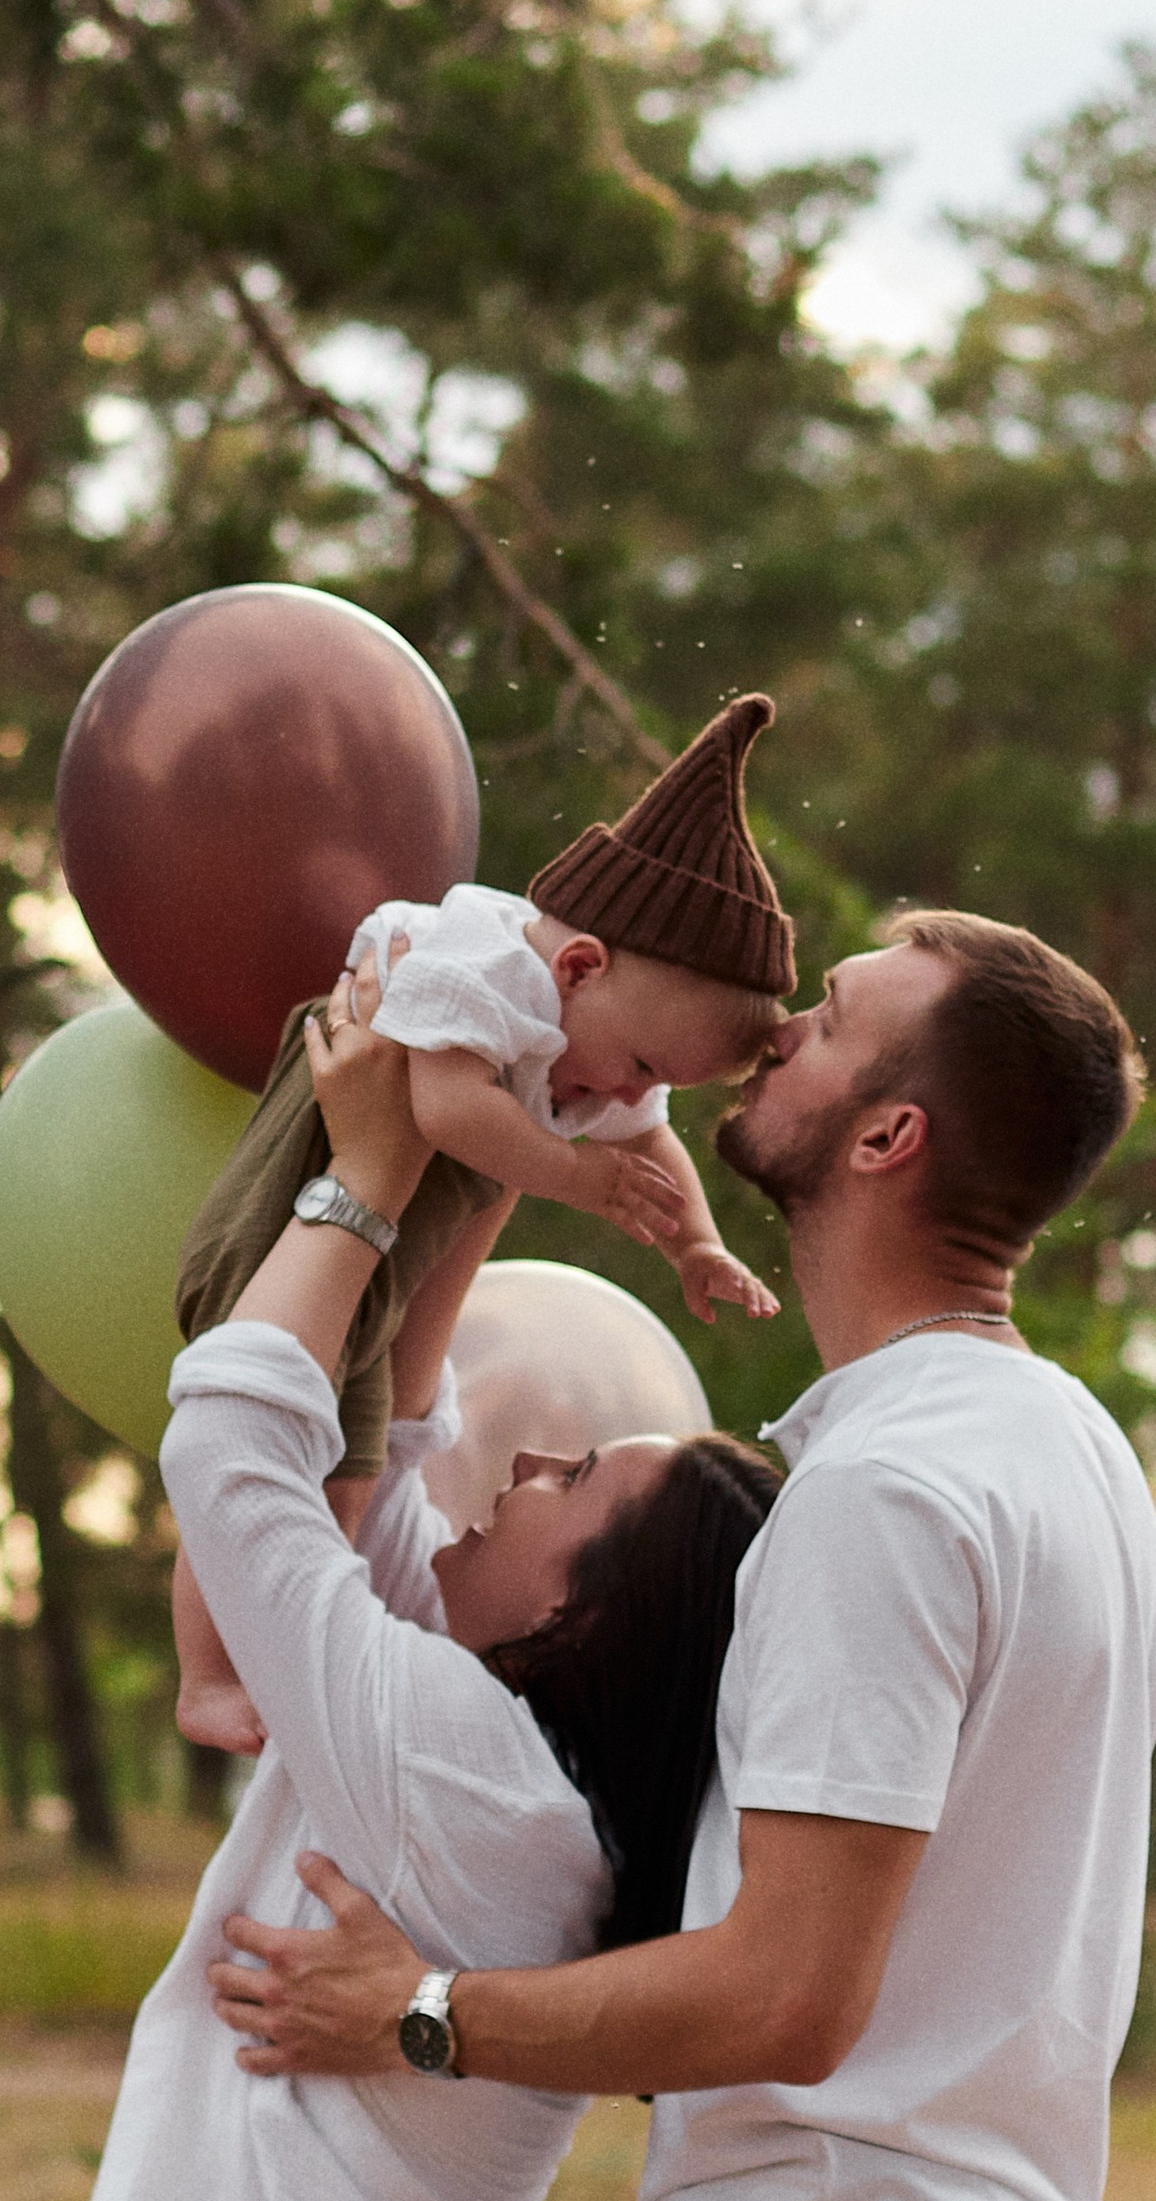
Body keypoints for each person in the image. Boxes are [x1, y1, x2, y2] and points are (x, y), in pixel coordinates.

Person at [205, 910, 1156, 2201]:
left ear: (887, 1137)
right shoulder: (1074, 1450)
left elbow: (787, 1996)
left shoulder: (884, 1490)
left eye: (827, 1023)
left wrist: (421, 2011)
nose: (776, 1033)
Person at [94, 978, 780, 2201]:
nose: (526, 1462)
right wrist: (489, 1156)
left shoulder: (463, 1776)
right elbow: (396, 1446)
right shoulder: (525, 1784)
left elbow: (231, 1444)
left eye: (572, 1478)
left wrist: (365, 1177)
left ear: (581, 1617)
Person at [167, 692, 794, 1750]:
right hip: (294, 1223)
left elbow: (651, 1139)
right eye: (640, 1064)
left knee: (352, 1470)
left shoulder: (599, 1033)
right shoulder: (484, 965)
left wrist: (697, 1242)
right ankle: (206, 1673)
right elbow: (445, 1109)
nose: (629, 1095)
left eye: (659, 1081)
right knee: (262, 1433)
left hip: (380, 1258)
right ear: (577, 966)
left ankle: (292, 1649)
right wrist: (573, 1175)